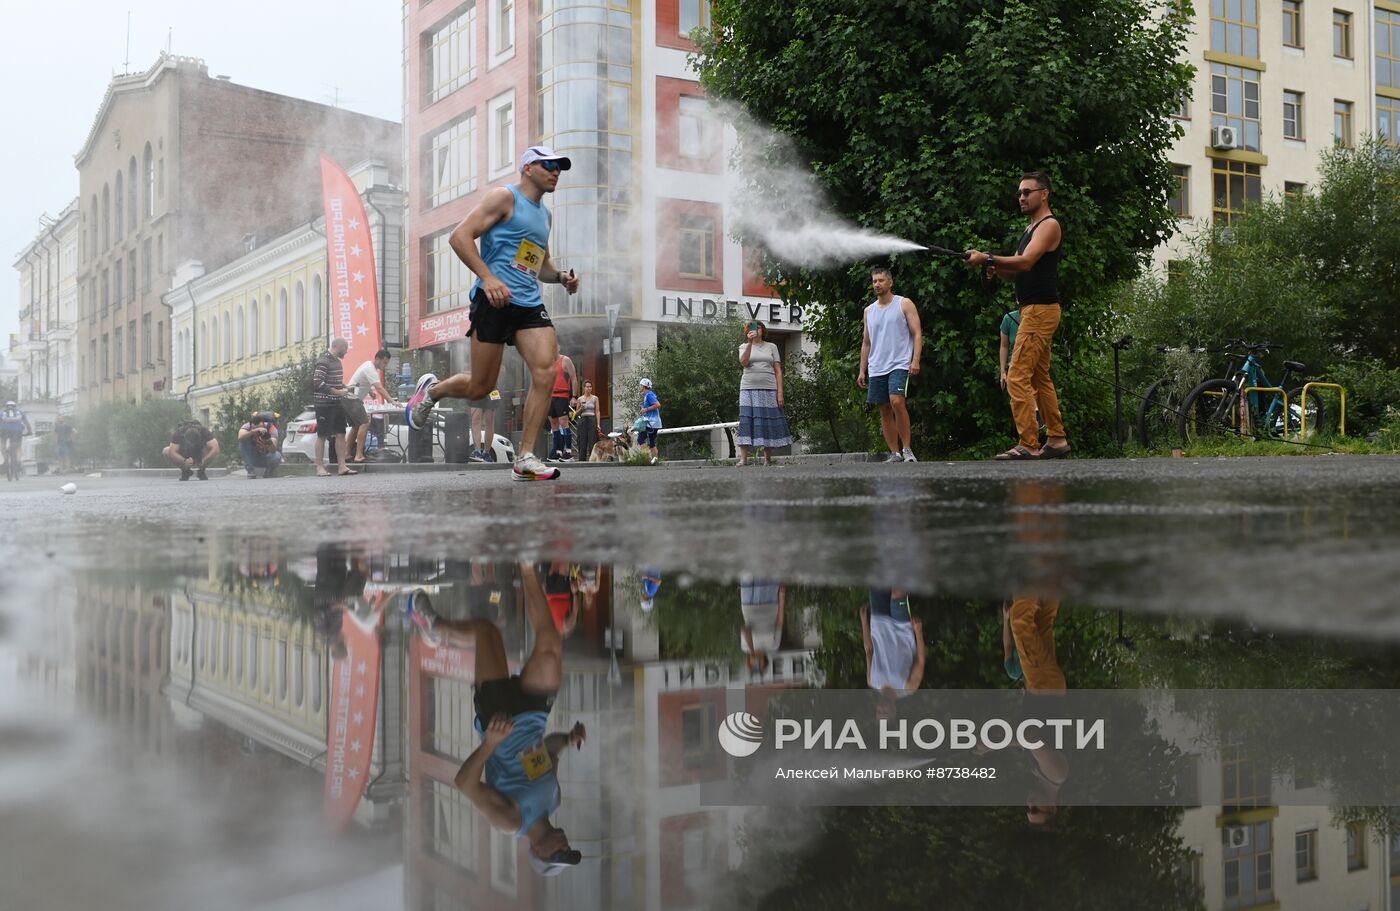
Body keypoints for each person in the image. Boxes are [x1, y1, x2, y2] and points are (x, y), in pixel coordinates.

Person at [403, 145, 582, 482]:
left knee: (547, 370)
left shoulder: (545, 215)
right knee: (481, 388)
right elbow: (459, 237)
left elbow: (538, 262)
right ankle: (433, 392)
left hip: (528, 303)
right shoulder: (504, 198)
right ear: (528, 168)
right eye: (549, 165)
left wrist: (559, 277)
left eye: (560, 167)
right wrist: (488, 278)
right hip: (493, 302)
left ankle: (526, 457)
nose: (556, 172)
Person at [404, 564, 587, 876]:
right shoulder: (554, 799)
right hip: (534, 715)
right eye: (568, 850)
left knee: (486, 631)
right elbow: (549, 750)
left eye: (558, 853)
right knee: (551, 646)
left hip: (499, 717)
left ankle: (434, 628)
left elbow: (465, 783)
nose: (564, 846)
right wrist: (568, 740)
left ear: (537, 852)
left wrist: (490, 743)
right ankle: (527, 566)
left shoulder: (511, 822)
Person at [966, 171, 1071, 461]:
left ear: (1044, 194)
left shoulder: (1049, 226)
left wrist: (988, 257)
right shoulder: (1029, 230)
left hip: (1040, 311)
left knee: (1017, 375)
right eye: (1020, 193)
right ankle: (1058, 439)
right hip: (1032, 310)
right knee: (1039, 377)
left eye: (1027, 192)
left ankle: (1029, 443)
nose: (1021, 197)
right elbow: (1016, 271)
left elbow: (1026, 261)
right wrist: (994, 269)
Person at [857, 266, 921, 463]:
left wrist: (916, 359)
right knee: (884, 408)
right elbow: (866, 342)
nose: (877, 284)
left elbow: (917, 333)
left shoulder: (904, 304)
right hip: (877, 366)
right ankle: (895, 453)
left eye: (881, 280)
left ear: (890, 282)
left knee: (897, 401)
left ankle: (907, 449)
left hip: (899, 363)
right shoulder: (869, 311)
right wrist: (862, 370)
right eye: (874, 281)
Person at [860, 590, 925, 721]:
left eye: (879, 712)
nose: (882, 709)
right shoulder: (908, 688)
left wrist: (864, 623)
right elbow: (920, 660)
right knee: (897, 593)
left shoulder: (872, 681)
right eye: (885, 713)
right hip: (902, 628)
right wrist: (918, 632)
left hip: (878, 623)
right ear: (893, 712)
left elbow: (869, 650)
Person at [736, 321, 792, 467]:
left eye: (758, 327)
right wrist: (749, 343)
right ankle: (743, 459)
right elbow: (744, 362)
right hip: (748, 388)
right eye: (752, 328)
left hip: (769, 388)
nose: (756, 329)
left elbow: (778, 371)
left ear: (763, 330)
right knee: (746, 419)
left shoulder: (771, 347)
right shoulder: (743, 346)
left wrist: (780, 393)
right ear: (748, 331)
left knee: (767, 420)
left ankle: (767, 459)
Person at [312, 338, 358, 477]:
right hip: (324, 404)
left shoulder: (337, 361)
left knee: (340, 433)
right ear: (338, 346)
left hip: (337, 403)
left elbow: (335, 382)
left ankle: (342, 466)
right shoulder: (323, 361)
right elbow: (317, 382)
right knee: (322, 435)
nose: (346, 351)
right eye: (345, 348)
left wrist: (345, 387)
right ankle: (319, 467)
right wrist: (338, 392)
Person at [345, 349, 398, 464]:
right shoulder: (370, 369)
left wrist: (369, 391)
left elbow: (360, 381)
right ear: (377, 359)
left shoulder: (367, 365)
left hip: (349, 398)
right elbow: (379, 388)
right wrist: (392, 401)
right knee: (365, 422)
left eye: (387, 363)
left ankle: (347, 453)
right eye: (384, 362)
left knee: (355, 427)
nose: (385, 365)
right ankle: (358, 455)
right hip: (352, 399)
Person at [740, 581, 785, 674]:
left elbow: (745, 629)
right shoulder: (774, 646)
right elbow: (780, 621)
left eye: (753, 665)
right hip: (769, 601)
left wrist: (752, 652)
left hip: (747, 603)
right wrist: (782, 596)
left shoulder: (745, 648)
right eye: (759, 665)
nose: (756, 663)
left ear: (749, 663)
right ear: (765, 662)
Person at [548, 353, 578, 461]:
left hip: (562, 395)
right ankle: (557, 452)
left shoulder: (565, 360)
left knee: (563, 422)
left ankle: (568, 452)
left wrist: (574, 396)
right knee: (553, 422)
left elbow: (574, 378)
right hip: (550, 395)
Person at [237, 411, 283, 479]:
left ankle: (268, 472)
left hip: (265, 457)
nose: (258, 431)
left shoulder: (271, 428)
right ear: (251, 425)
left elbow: (273, 450)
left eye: (260, 428)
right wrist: (253, 432)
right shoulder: (247, 426)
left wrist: (268, 440)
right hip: (252, 457)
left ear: (264, 425)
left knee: (277, 456)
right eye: (255, 428)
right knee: (242, 443)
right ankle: (250, 471)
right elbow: (240, 437)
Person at [470, 389, 503, 462]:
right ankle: (477, 452)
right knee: (476, 421)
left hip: (491, 388)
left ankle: (486, 453)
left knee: (489, 422)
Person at [0, 401, 31, 481]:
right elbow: (26, 423)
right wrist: (29, 431)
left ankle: (5, 458)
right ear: (15, 406)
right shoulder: (20, 412)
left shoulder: (2, 412)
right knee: (17, 446)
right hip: (17, 431)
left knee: (3, 443)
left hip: (4, 431)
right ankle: (16, 459)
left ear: (6, 406)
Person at [573, 381, 600, 465]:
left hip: (592, 419)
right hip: (583, 420)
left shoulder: (595, 398)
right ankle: (582, 461)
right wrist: (581, 408)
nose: (589, 388)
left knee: (593, 441)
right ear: (584, 388)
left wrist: (598, 424)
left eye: (590, 387)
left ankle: (593, 461)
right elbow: (576, 414)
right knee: (582, 441)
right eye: (587, 387)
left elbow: (597, 411)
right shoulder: (580, 399)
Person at [638, 378, 661, 465]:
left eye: (640, 385)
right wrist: (644, 410)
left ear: (643, 386)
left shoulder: (649, 395)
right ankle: (654, 461)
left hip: (652, 423)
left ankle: (647, 458)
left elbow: (658, 405)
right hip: (654, 422)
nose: (639, 386)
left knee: (640, 439)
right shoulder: (648, 394)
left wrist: (646, 409)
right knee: (652, 442)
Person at [998, 309, 1021, 394]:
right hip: (1014, 367)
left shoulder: (1037, 317)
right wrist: (1003, 372)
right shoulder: (1009, 318)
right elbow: (1004, 346)